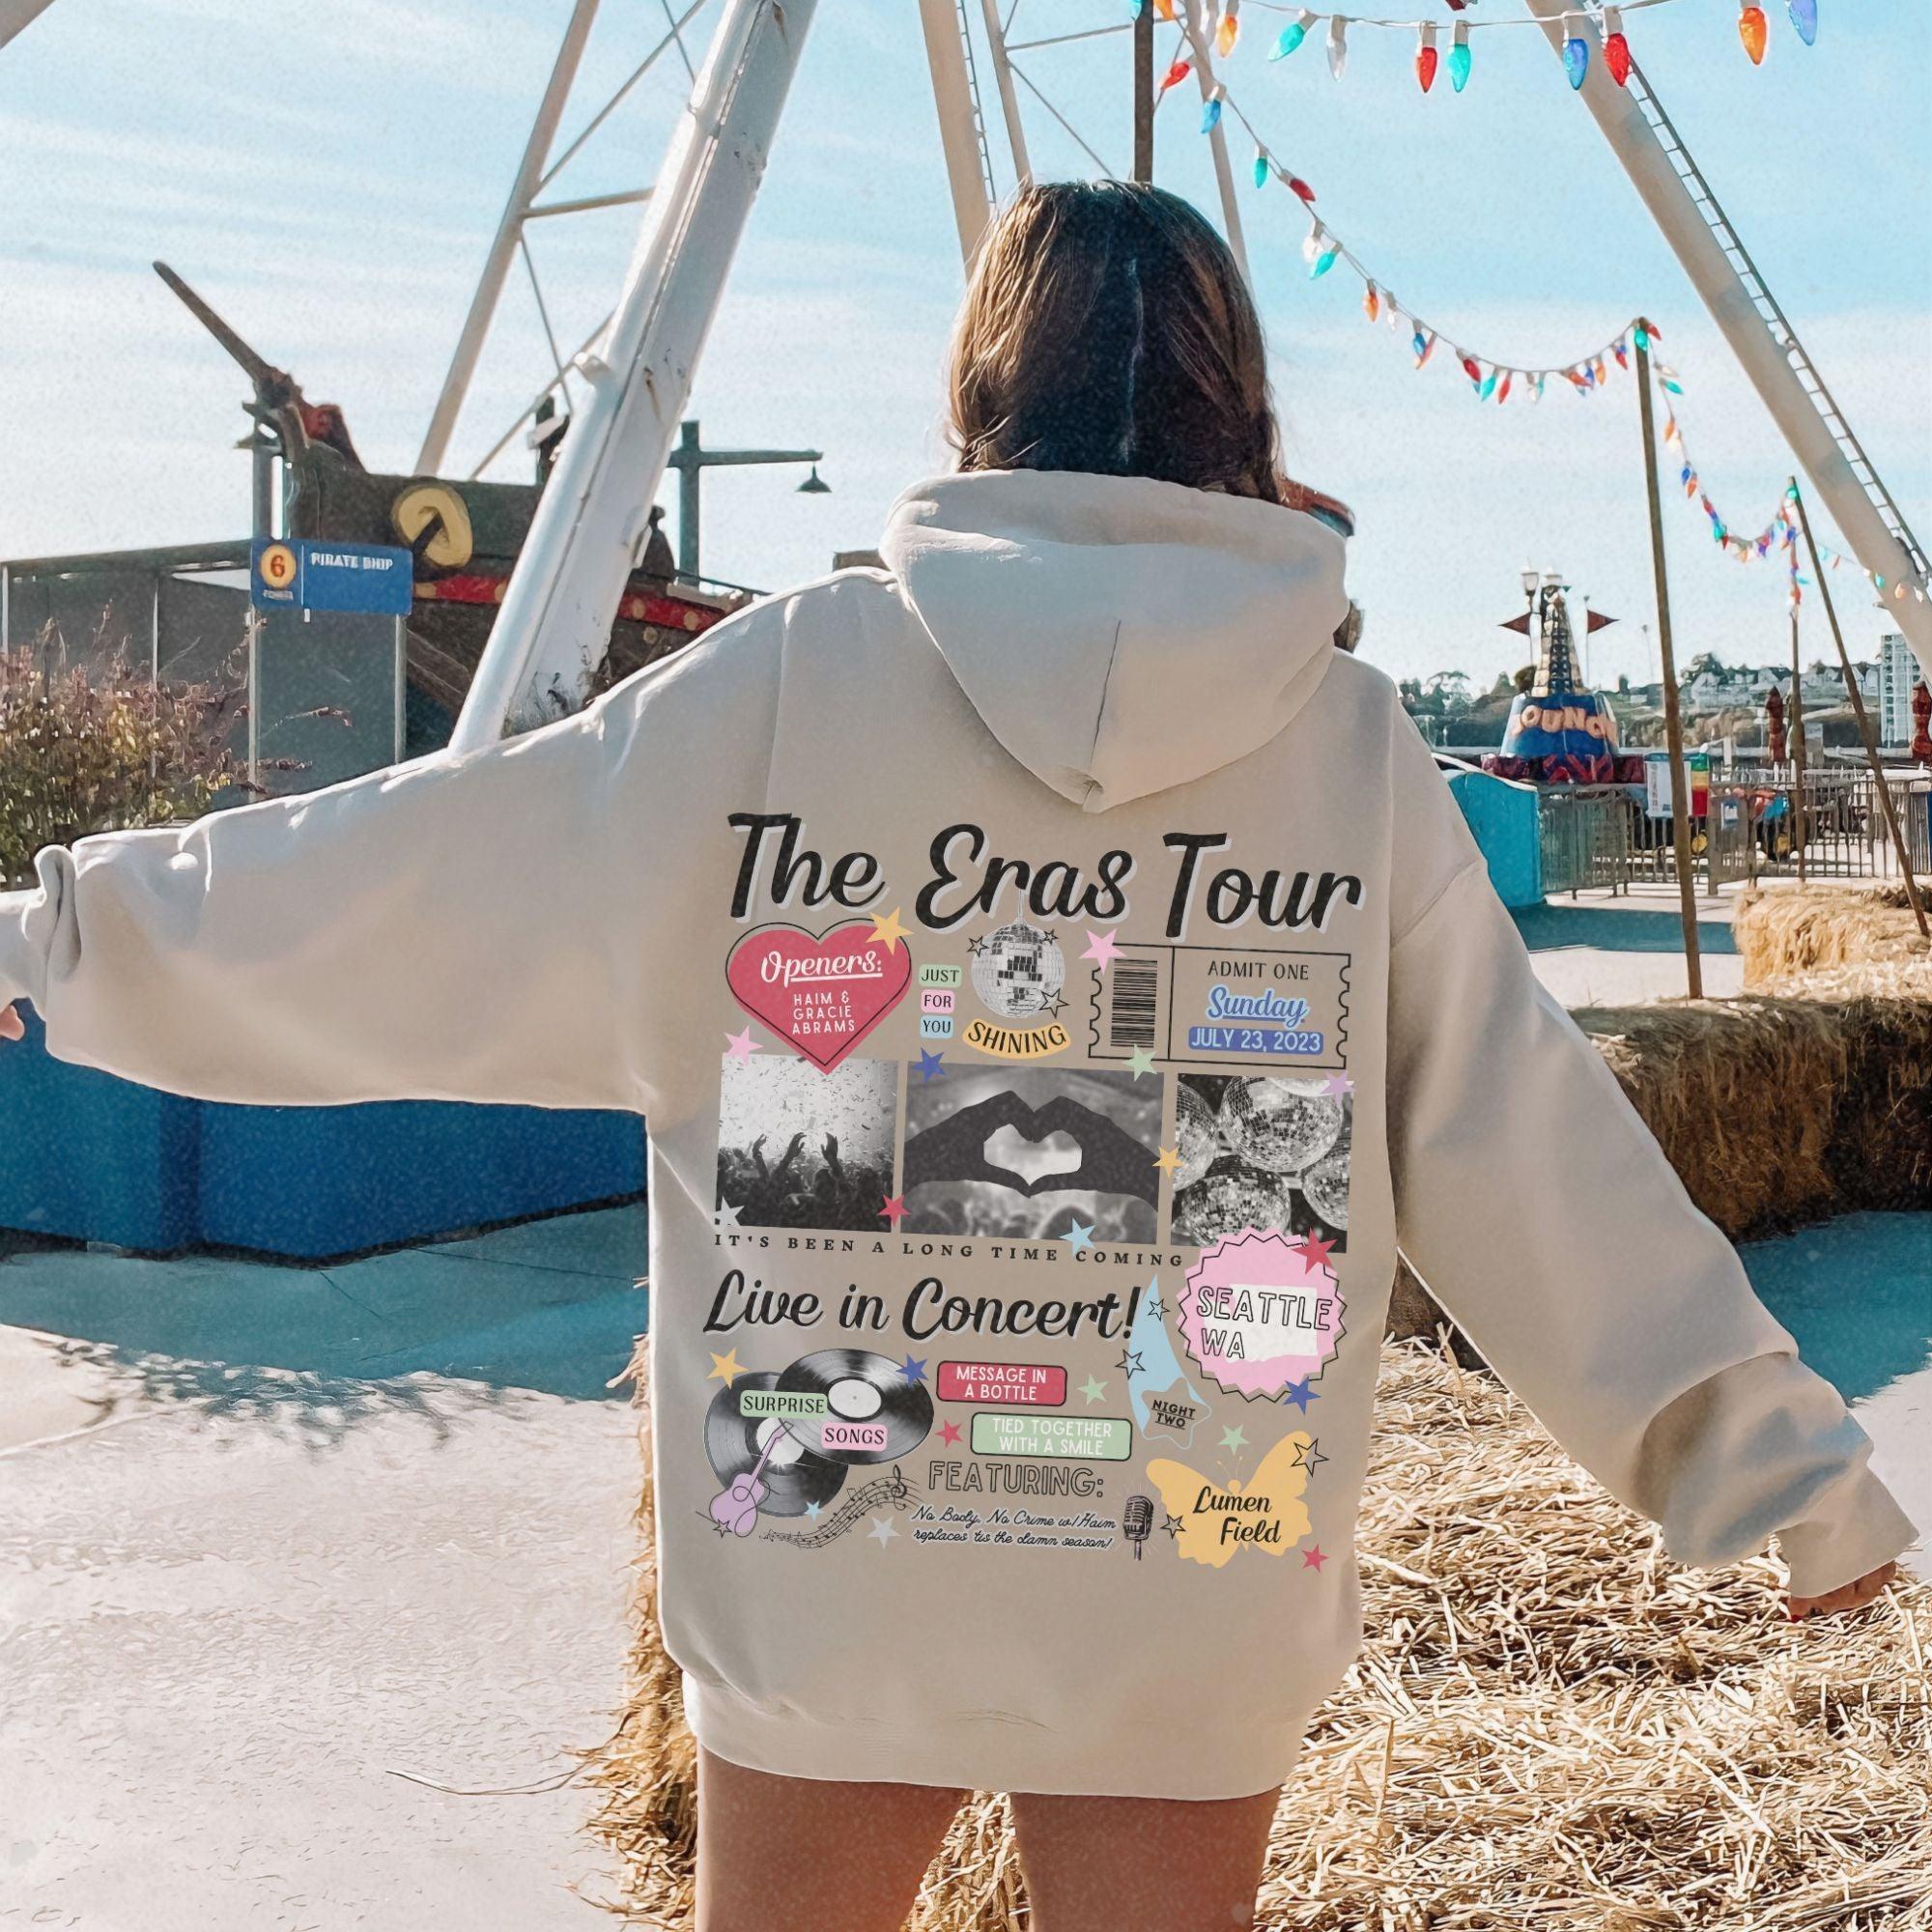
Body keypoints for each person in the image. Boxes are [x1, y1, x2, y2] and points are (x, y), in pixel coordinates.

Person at [0, 182, 1912, 1932]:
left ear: (976, 387)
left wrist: (54, 949)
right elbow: (1532, 1154)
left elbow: (412, 879)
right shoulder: (1341, 750)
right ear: (1237, 403)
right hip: (1194, 1521)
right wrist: (1785, 1477)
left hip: (830, 1506)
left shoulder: (782, 684)